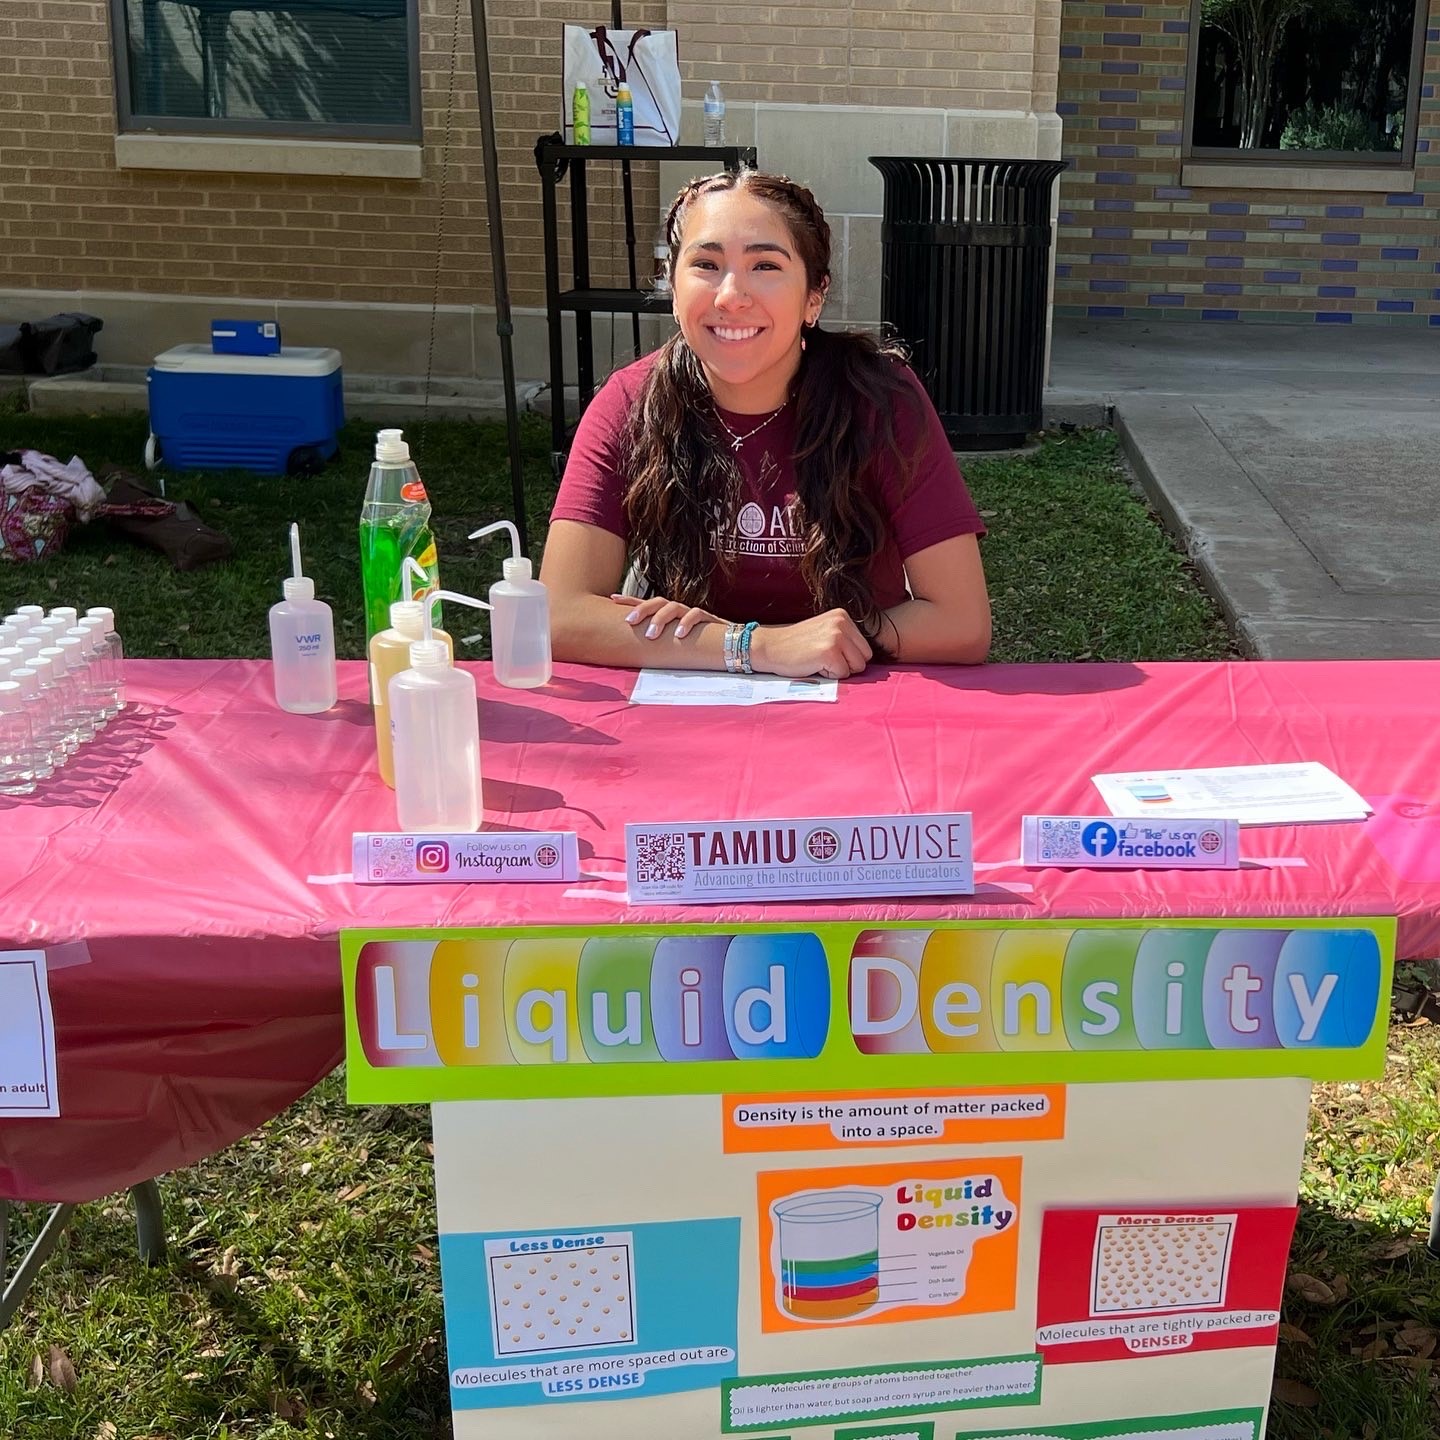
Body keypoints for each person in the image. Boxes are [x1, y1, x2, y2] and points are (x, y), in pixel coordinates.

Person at [541, 170, 991, 679]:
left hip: (854, 704)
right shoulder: (629, 403)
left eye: (765, 265)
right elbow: (559, 615)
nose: (731, 295)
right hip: (683, 710)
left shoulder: (880, 401)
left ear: (813, 297)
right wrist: (758, 647)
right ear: (673, 287)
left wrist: (831, 644)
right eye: (706, 264)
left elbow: (962, 622)